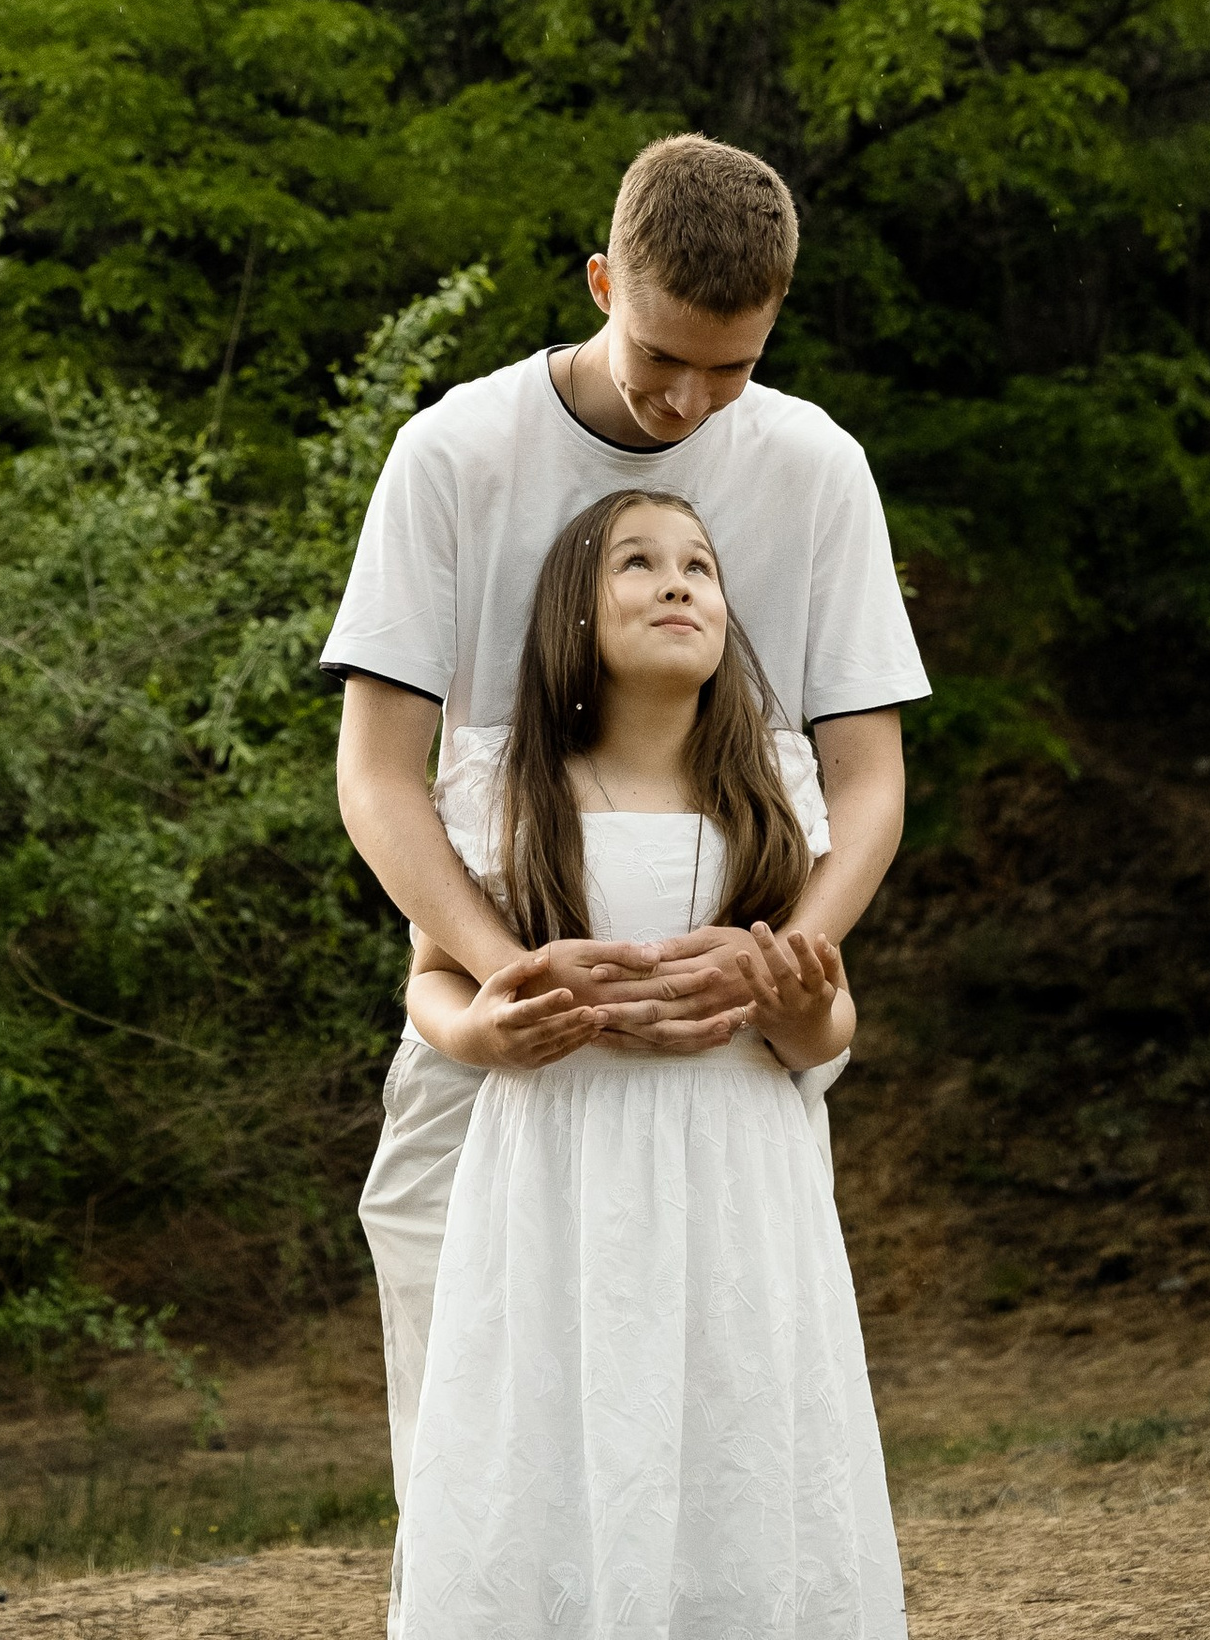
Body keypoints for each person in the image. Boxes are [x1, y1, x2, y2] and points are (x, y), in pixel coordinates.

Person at [323, 130, 929, 1527]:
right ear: (603, 281)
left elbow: (872, 782)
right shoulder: (454, 455)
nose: (693, 401)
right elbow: (376, 776)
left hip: (723, 1064)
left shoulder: (817, 468)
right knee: (481, 1452)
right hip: (492, 1029)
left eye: (736, 367)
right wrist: (497, 976)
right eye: (664, 356)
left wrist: (779, 958)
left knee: (727, 1429)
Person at [393, 487, 904, 1639]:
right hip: (556, 1171)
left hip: (739, 1174)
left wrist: (806, 1007)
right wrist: (480, 1033)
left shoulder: (772, 797)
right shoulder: (502, 790)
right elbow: (431, 979)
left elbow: (825, 1033)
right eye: (637, 564)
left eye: (701, 568)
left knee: (736, 1424)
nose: (678, 583)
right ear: (571, 612)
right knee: (563, 1423)